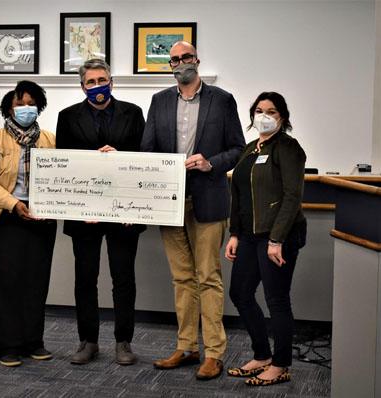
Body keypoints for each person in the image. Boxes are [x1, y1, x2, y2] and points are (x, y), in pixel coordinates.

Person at [141, 41, 245, 380]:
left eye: (186, 57)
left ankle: (214, 353)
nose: (181, 63)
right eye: (174, 60)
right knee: (182, 278)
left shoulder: (222, 100)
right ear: (169, 65)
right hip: (169, 202)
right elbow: (148, 149)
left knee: (208, 278)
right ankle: (187, 347)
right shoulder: (159, 101)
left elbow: (238, 150)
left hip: (208, 200)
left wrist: (210, 163)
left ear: (197, 61)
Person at [56, 58, 145, 366]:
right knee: (85, 278)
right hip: (85, 212)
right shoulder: (66, 117)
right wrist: (93, 162)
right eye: (91, 82)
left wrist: (119, 157)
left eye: (102, 79)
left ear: (111, 82)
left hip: (124, 211)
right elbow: (64, 162)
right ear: (82, 86)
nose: (97, 86)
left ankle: (124, 342)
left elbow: (143, 158)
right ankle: (88, 341)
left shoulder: (133, 113)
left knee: (123, 278)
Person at [0, 80, 57, 367]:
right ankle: (7, 346)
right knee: (6, 282)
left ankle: (33, 342)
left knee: (36, 281)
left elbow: (65, 175)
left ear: (39, 106)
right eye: (20, 104)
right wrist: (13, 203)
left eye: (31, 103)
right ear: (9, 107)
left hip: (41, 218)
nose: (26, 108)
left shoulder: (49, 138)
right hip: (4, 218)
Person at [225, 92, 307, 386]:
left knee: (277, 301)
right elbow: (239, 194)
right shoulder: (249, 149)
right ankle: (262, 355)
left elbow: (292, 196)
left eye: (271, 111)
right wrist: (234, 233)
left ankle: (281, 364)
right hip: (248, 236)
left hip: (278, 238)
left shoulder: (289, 148)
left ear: (282, 117)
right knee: (240, 294)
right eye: (259, 110)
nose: (264, 116)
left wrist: (277, 239)